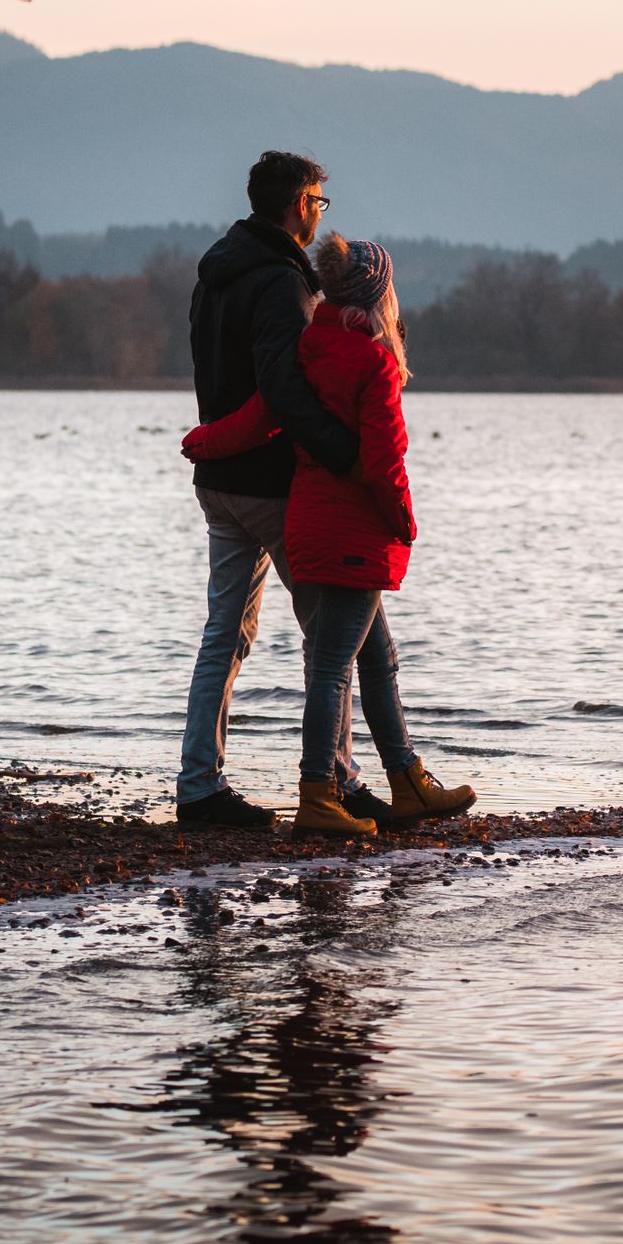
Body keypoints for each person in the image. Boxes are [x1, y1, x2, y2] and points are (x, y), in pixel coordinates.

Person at [184, 235, 476, 839]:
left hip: (309, 522)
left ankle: (406, 779)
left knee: (377, 659)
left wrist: (203, 442)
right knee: (331, 668)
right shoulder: (375, 363)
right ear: (379, 298)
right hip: (355, 533)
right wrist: (405, 523)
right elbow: (384, 462)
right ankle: (319, 793)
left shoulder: (307, 348)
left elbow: (260, 417)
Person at [177, 149, 385, 832]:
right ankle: (338, 782)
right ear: (299, 205)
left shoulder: (216, 272)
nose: (321, 213)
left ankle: (199, 786)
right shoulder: (282, 283)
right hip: (270, 484)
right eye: (319, 202)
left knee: (224, 635)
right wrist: (344, 456)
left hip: (220, 480)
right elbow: (284, 389)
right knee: (331, 638)